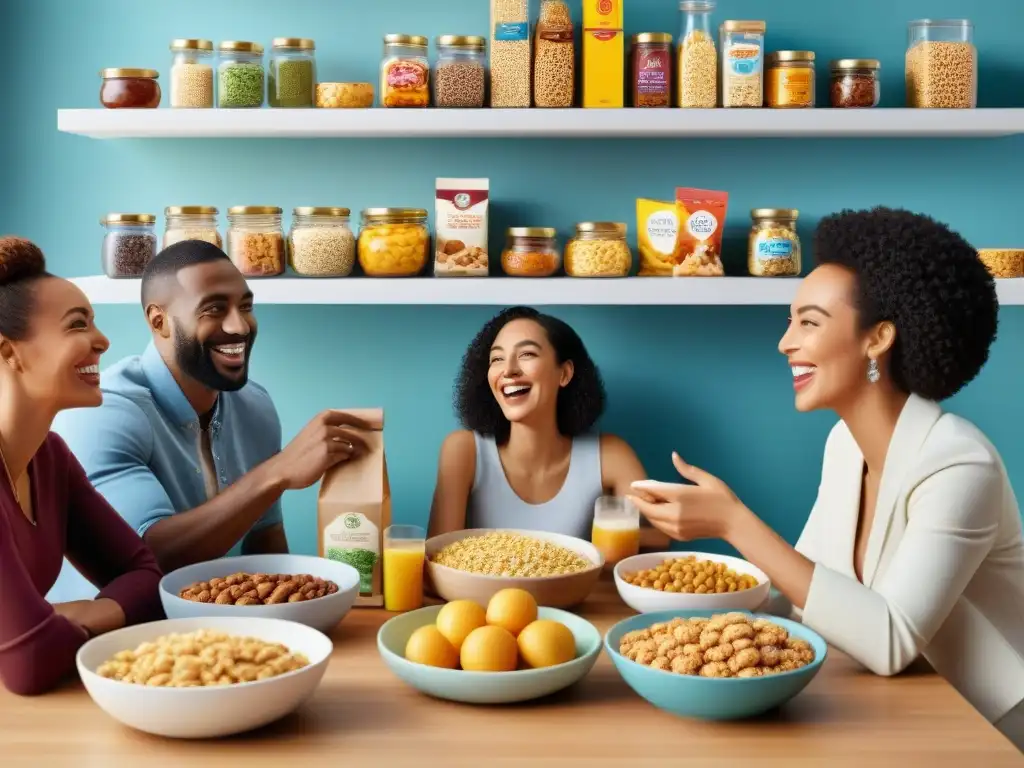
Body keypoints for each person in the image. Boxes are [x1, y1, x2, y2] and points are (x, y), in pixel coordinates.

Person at [627, 207, 1024, 750]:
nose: (785, 343)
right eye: (790, 321)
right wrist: (679, 619)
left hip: (988, 729)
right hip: (896, 713)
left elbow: (889, 641)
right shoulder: (845, 446)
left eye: (808, 323)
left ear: (877, 338)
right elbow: (802, 594)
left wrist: (732, 520)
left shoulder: (958, 465)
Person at [49, 240, 376, 600]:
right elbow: (144, 559)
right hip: (115, 641)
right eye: (214, 309)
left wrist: (301, 610)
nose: (239, 326)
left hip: (218, 632)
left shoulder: (256, 407)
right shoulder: (104, 412)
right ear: (160, 321)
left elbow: (264, 544)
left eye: (246, 307)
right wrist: (277, 472)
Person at [0, 237, 163, 695]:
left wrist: (81, 615)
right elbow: (27, 665)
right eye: (77, 325)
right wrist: (39, 636)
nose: (102, 340)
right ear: (10, 352)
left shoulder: (49, 458)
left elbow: (148, 580)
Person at [429, 305, 669, 551]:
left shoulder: (610, 454)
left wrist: (602, 541)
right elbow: (438, 554)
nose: (508, 370)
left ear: (564, 374)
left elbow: (661, 537)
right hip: (479, 592)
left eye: (527, 355)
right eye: (497, 359)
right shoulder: (463, 450)